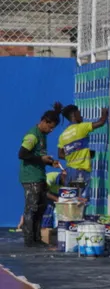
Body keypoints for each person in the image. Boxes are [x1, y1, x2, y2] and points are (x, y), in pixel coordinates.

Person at [19, 103, 63, 247]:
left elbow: (39, 156)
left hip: (39, 176)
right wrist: (41, 159)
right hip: (30, 177)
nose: (51, 131)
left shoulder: (43, 136)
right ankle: (29, 240)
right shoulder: (33, 135)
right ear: (44, 121)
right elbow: (23, 154)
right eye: (50, 127)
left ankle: (37, 238)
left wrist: (50, 163)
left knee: (41, 207)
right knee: (31, 208)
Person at [56, 103, 108, 196]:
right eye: (79, 113)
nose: (81, 116)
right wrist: (104, 112)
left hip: (69, 173)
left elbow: (60, 154)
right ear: (74, 115)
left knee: (71, 200)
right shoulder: (81, 127)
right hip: (80, 173)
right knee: (80, 201)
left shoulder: (62, 136)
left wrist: (76, 154)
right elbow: (101, 122)